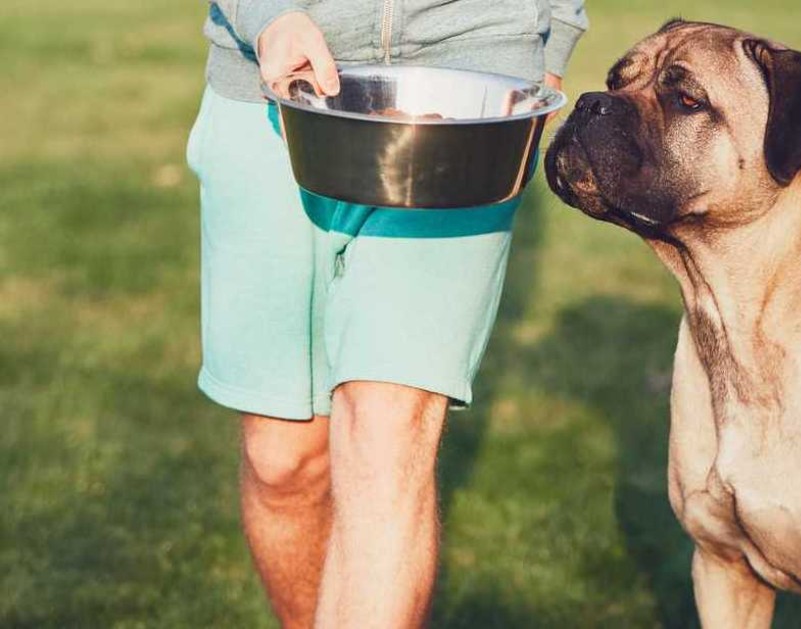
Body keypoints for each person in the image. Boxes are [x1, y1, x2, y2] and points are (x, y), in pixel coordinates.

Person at [186, 1, 587, 626]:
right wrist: (269, 18)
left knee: (386, 439)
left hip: (470, 83)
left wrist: (551, 47)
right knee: (283, 462)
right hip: (269, 82)